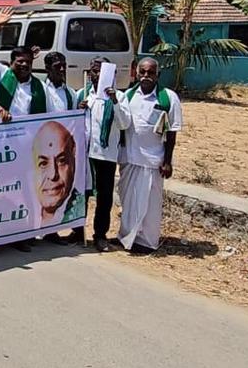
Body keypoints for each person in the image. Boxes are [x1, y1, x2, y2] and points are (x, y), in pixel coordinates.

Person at [118, 58, 181, 253]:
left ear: (157, 75)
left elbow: (172, 131)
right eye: (142, 72)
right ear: (136, 74)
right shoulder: (128, 96)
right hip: (129, 158)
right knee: (128, 202)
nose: (146, 76)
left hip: (154, 161)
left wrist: (168, 161)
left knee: (151, 205)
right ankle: (126, 238)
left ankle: (147, 242)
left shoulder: (168, 97)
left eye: (150, 73)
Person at [70, 57, 132, 251]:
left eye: (100, 71)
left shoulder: (120, 97)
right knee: (82, 193)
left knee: (104, 197)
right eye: (93, 71)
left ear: (110, 74)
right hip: (85, 154)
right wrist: (78, 111)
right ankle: (77, 231)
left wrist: (113, 101)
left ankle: (100, 234)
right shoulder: (83, 94)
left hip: (106, 155)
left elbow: (124, 124)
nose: (96, 75)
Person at [33, 121, 85, 228]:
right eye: (43, 163)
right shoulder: (25, 207)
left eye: (61, 161)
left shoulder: (77, 206)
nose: (53, 175)